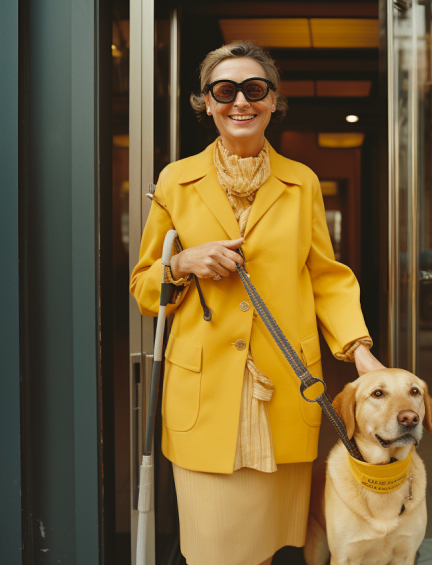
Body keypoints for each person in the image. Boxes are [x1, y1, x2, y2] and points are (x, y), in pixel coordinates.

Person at [130, 41, 385, 565]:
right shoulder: (176, 181)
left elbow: (326, 278)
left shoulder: (302, 182)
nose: (239, 101)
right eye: (225, 90)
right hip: (204, 395)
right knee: (211, 549)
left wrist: (360, 352)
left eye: (254, 89)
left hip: (283, 395)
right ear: (207, 102)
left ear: (272, 101)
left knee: (267, 547)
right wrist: (181, 264)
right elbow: (143, 288)